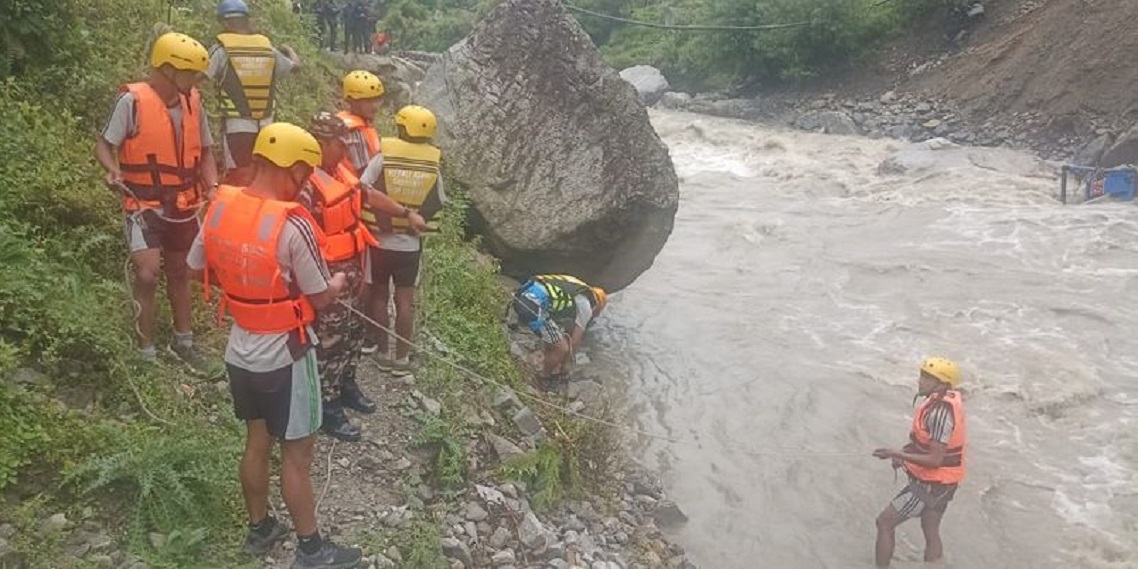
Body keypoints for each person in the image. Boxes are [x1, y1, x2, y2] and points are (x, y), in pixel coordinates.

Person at [187, 122, 362, 568]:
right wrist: (339, 281)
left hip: (240, 348)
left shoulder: (219, 208)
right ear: (290, 167)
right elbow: (321, 296)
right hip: (286, 352)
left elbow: (194, 267)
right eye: (303, 173)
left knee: (256, 440)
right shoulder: (291, 224)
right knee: (298, 454)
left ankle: (260, 528)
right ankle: (311, 549)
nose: (304, 182)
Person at [94, 31, 217, 370]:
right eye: (189, 73)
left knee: (180, 271)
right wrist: (113, 170)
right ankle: (145, 351)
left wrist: (213, 184)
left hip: (183, 204)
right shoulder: (131, 102)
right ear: (168, 69)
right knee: (147, 274)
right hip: (144, 204)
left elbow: (206, 152)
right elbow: (104, 144)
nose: (194, 80)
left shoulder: (194, 102)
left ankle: (184, 341)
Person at [299, 112, 425, 440]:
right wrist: (321, 282)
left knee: (354, 332)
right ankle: (325, 404)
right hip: (328, 272)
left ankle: (346, 384)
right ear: (322, 143)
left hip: (354, 263)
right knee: (330, 339)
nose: (346, 150)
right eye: (341, 144)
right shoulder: (305, 183)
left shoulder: (340, 171)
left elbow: (366, 194)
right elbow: (299, 239)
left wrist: (405, 213)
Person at [356, 105, 444, 375]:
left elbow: (362, 187)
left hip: (380, 240)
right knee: (406, 301)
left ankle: (383, 353)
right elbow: (439, 201)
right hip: (410, 245)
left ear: (402, 128)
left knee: (380, 296)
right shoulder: (433, 165)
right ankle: (402, 360)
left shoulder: (384, 158)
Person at [872, 357, 967, 568]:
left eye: (928, 378)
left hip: (932, 484)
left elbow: (934, 460)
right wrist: (902, 454)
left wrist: (896, 453)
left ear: (942, 384)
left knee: (884, 522)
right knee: (930, 528)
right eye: (922, 375)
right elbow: (926, 444)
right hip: (944, 484)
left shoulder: (940, 412)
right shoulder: (937, 402)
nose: (920, 381)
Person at [208, 0, 302, 186]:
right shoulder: (267, 49)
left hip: (237, 128)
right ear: (247, 20)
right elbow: (296, 67)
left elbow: (199, 74)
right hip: (267, 128)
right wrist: (289, 50)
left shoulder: (221, 50)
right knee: (264, 179)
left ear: (225, 23)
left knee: (238, 179)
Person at [510, 274, 607, 389]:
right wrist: (566, 364)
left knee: (555, 339)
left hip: (524, 295)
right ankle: (543, 378)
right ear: (597, 305)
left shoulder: (576, 288)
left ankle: (549, 362)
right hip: (533, 304)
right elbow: (575, 341)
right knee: (562, 348)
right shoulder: (585, 305)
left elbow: (552, 326)